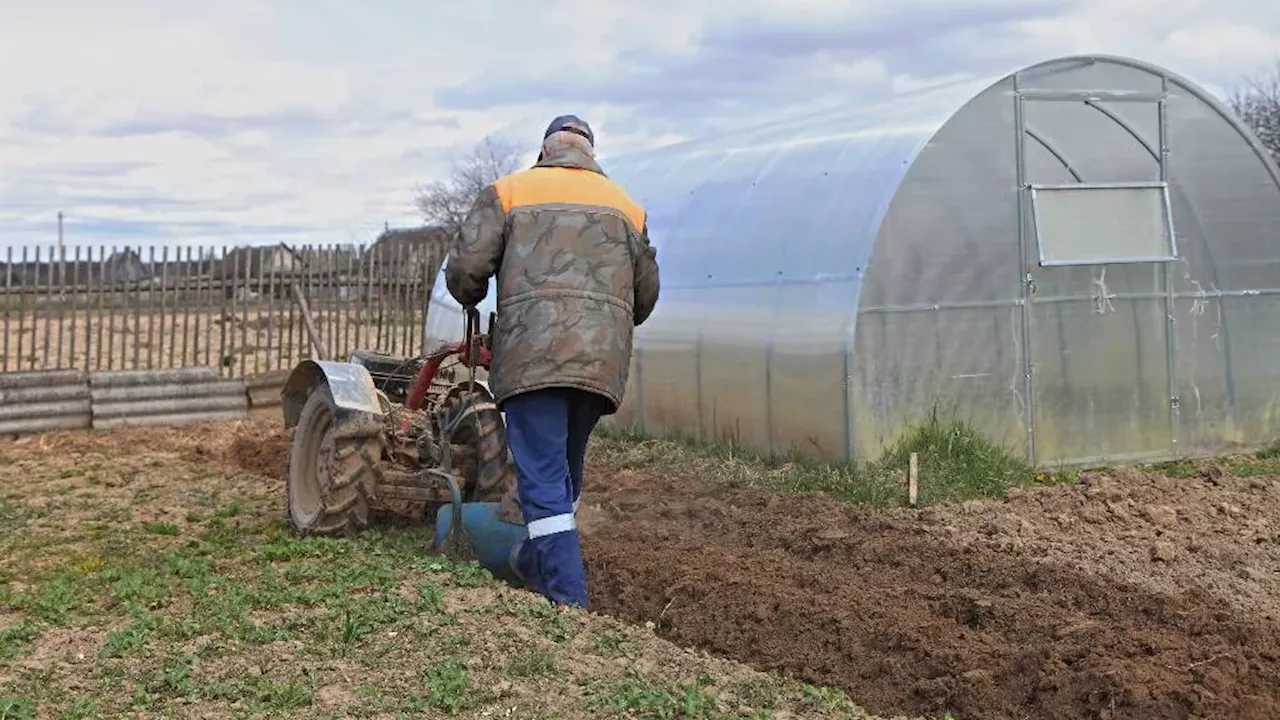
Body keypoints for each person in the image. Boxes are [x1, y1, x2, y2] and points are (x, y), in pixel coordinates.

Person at [443, 115, 661, 609]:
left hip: (532, 357)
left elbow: (466, 269)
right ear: (591, 152)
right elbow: (646, 297)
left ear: (545, 150)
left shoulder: (510, 192)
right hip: (601, 365)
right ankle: (532, 561)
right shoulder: (627, 206)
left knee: (542, 481)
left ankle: (568, 600)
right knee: (564, 473)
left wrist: (472, 293)